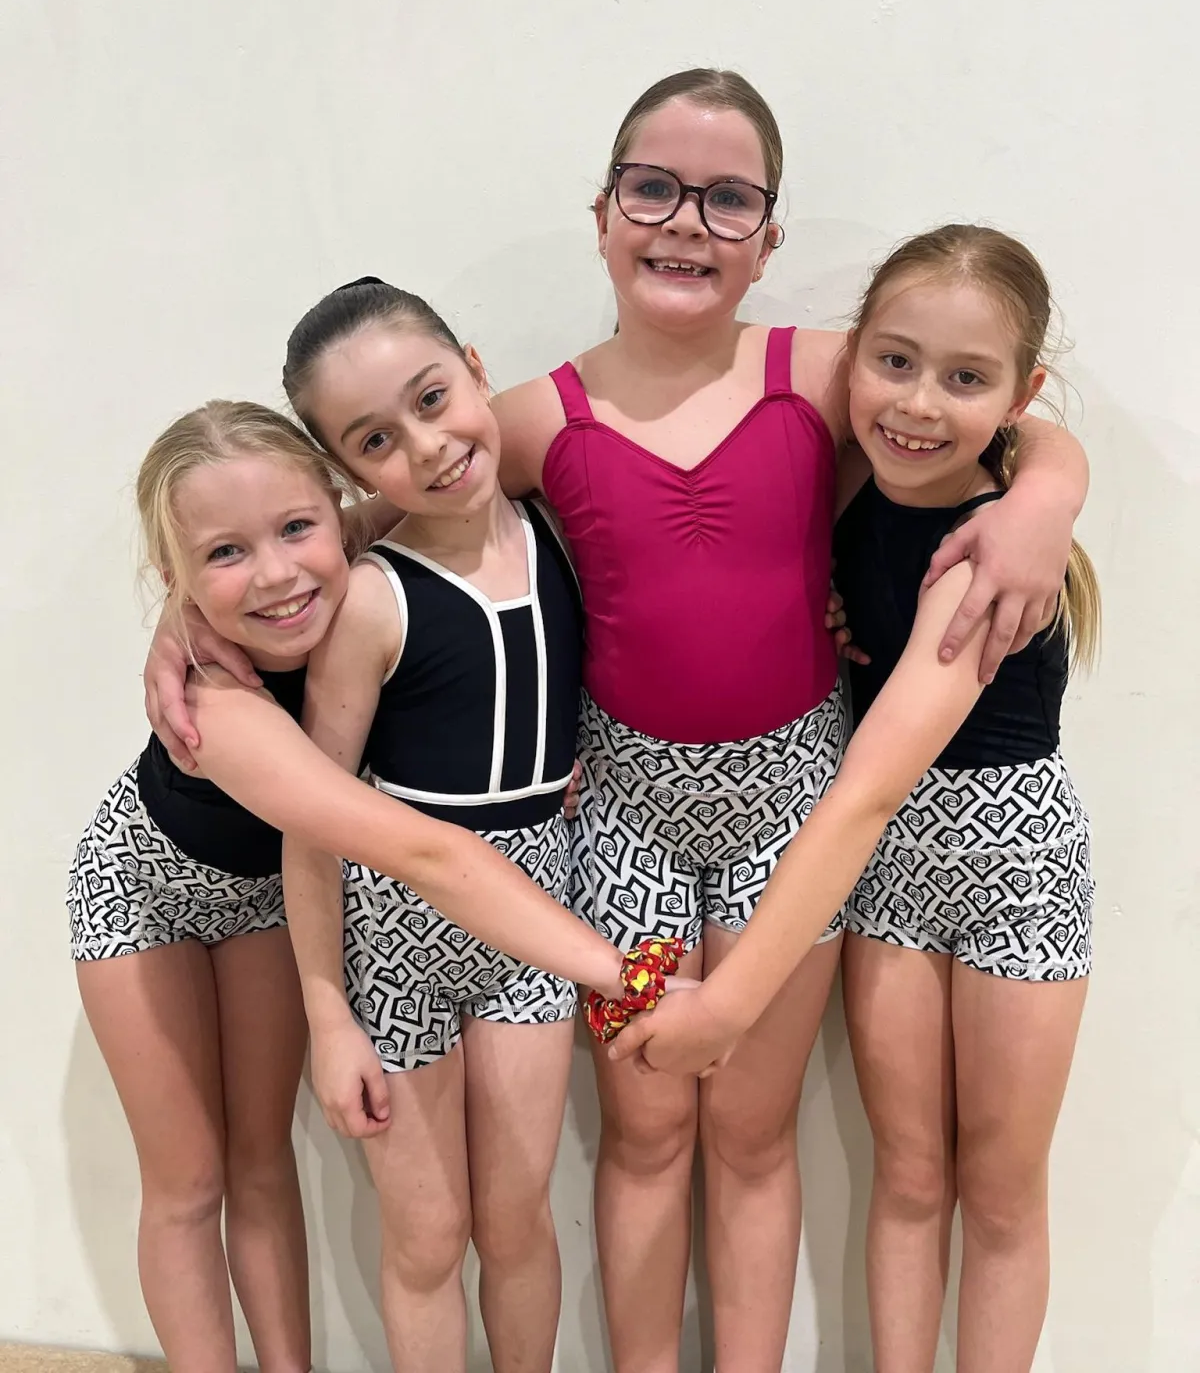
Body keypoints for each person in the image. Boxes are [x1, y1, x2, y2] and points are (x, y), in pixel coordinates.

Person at [489, 74, 1091, 1371]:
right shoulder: (537, 418)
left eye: (727, 199)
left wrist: (1048, 496)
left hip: (793, 810)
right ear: (602, 212)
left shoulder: (823, 373)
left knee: (755, 1137)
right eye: (653, 187)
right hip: (631, 821)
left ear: (768, 238)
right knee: (648, 1130)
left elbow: (1006, 412)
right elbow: (378, 506)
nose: (684, 220)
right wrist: (194, 612)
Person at [609, 224, 1099, 1373]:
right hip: (872, 880)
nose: (919, 403)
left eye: (966, 379)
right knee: (909, 1174)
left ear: (1019, 394)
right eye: (895, 362)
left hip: (1014, 870)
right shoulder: (836, 480)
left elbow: (868, 788)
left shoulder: (991, 553)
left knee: (999, 1186)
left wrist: (731, 1004)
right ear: (854, 358)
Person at [72, 399, 626, 1373]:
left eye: (296, 528)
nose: (277, 574)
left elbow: (449, 461)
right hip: (144, 889)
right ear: (176, 576)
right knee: (189, 1178)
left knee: (261, 1160)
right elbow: (427, 855)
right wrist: (629, 974)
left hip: (276, 894)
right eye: (226, 555)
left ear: (339, 510)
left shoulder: (354, 564)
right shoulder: (215, 703)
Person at [273, 279, 595, 1373]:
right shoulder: (371, 598)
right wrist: (328, 1016)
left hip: (532, 920)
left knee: (517, 1219)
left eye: (433, 397)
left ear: (474, 368)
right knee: (425, 1235)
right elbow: (313, 823)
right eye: (376, 440)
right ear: (349, 471)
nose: (427, 444)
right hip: (396, 938)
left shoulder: (560, 529)